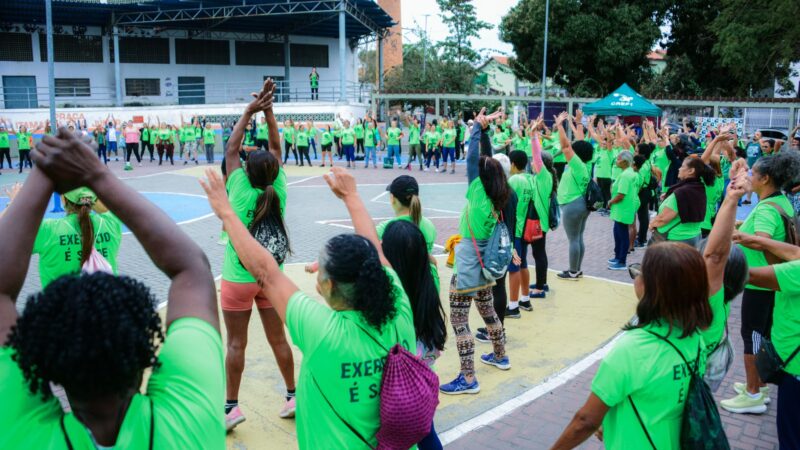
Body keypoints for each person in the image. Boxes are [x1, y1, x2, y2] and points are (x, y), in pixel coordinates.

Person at [0, 128, 224, 449]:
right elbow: (192, 268)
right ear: (146, 353)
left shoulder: (23, 435)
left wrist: (43, 174)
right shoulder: (189, 422)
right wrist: (96, 173)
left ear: (51, 371)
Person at [201, 160, 415, 448]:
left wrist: (227, 213)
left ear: (328, 285)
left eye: (322, 270)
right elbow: (375, 249)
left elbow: (266, 273)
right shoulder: (399, 306)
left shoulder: (323, 331)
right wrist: (351, 197)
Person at [551, 167, 749, 449]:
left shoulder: (632, 350)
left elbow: (585, 420)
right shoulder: (695, 334)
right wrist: (730, 201)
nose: (636, 277)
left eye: (640, 272)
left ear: (654, 287)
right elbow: (715, 258)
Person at [221, 80, 297, 428]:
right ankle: (293, 395)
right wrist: (268, 112)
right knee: (278, 338)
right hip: (271, 275)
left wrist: (249, 111)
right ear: (274, 172)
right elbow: (276, 148)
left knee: (237, 344)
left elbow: (231, 149)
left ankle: (231, 408)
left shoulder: (237, 188)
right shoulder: (277, 189)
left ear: (245, 171)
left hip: (238, 277)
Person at [721, 150, 800, 414]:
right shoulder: (782, 201)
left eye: (753, 173)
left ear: (765, 179)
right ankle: (759, 384)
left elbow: (761, 237)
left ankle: (753, 392)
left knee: (752, 336)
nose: (750, 177)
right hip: (773, 283)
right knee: (760, 334)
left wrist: (737, 234)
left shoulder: (766, 209)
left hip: (760, 283)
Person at [439, 108, 510, 395]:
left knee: (459, 322)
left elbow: (472, 160)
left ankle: (468, 378)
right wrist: (486, 133)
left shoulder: (478, 191)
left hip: (468, 264)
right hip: (484, 266)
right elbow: (486, 162)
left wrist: (476, 130)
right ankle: (500, 354)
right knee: (489, 311)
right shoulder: (498, 193)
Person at [380, 219, 446, 450]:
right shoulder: (429, 276)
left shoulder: (390, 292)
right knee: (426, 431)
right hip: (424, 375)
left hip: (398, 380)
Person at [734, 231, 800, 449]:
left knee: (791, 438)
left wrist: (712, 256)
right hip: (790, 363)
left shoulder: (794, 272)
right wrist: (753, 239)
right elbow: (795, 252)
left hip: (795, 371)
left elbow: (748, 275)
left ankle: (753, 393)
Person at [554, 112, 594, 281]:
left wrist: (560, 126)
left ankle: (572, 271)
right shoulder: (586, 163)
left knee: (573, 239)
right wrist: (578, 123)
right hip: (582, 204)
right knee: (578, 237)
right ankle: (576, 269)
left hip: (572, 205)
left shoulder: (577, 164)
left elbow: (566, 147)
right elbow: (581, 143)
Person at [648, 156, 714, 247]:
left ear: (691, 171)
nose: (679, 169)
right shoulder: (699, 187)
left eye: (682, 166)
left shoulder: (681, 192)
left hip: (676, 239)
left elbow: (663, 219)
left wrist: (652, 224)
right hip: (695, 236)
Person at [527, 118, 557, 299]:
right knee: (539, 252)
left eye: (535, 161)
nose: (532, 162)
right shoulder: (543, 178)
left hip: (539, 222)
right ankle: (542, 282)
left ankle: (539, 288)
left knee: (538, 254)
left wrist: (533, 137)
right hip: (540, 221)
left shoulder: (544, 176)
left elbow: (537, 156)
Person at [506, 150, 534, 315]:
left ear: (513, 164)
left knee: (514, 268)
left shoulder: (514, 179)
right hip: (526, 229)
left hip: (515, 229)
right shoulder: (531, 178)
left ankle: (513, 306)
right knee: (523, 264)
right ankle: (525, 299)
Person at [607, 151, 638, 270]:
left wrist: (610, 202)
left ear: (625, 161)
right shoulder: (629, 173)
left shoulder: (626, 175)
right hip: (623, 209)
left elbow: (621, 195)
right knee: (618, 233)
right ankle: (618, 257)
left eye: (619, 159)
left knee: (622, 234)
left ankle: (622, 261)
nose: (616, 161)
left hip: (623, 208)